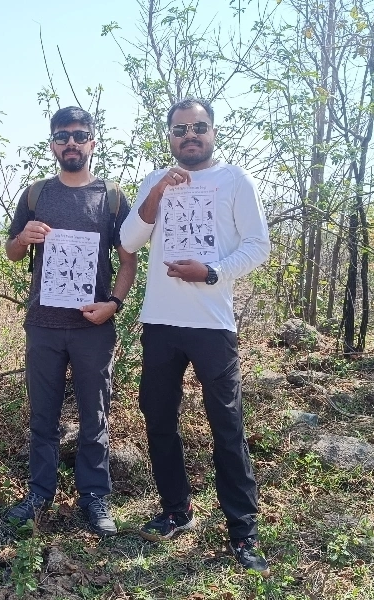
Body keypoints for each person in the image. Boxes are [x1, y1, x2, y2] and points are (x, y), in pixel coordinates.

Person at [119, 98, 273, 573]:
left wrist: (211, 272)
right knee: (158, 416)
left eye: (199, 128)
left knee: (227, 426)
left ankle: (243, 532)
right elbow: (128, 241)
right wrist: (158, 191)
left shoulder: (235, 180)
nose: (190, 136)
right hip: (160, 322)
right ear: (170, 135)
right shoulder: (155, 180)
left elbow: (258, 246)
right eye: (181, 129)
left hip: (212, 324)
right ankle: (176, 509)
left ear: (212, 133)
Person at [4, 107, 136, 536]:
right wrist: (23, 238)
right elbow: (12, 252)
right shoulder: (35, 195)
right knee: (43, 416)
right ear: (53, 145)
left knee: (95, 416)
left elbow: (129, 260)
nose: (71, 143)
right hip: (43, 324)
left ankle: (94, 496)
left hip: (92, 327)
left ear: (92, 143)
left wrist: (114, 304)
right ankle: (39, 493)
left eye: (80, 136)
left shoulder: (111, 197)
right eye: (63, 137)